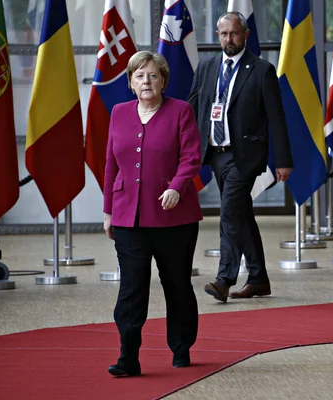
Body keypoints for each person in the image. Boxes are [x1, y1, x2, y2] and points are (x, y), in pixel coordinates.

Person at [103, 51, 203, 376]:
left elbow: (191, 157)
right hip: (128, 218)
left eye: (153, 75)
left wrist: (176, 186)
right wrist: (108, 212)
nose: (147, 81)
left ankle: (181, 346)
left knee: (176, 285)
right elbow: (111, 165)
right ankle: (128, 357)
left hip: (174, 218)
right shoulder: (118, 113)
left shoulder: (180, 111)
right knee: (131, 289)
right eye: (140, 76)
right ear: (131, 83)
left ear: (163, 80)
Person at [187, 12, 293, 303]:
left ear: (245, 35)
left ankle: (224, 279)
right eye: (223, 34)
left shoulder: (261, 70)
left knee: (230, 213)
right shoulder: (207, 69)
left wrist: (282, 159)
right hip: (216, 154)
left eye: (234, 34)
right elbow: (191, 108)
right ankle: (258, 278)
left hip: (245, 155)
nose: (228, 39)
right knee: (242, 215)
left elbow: (277, 118)